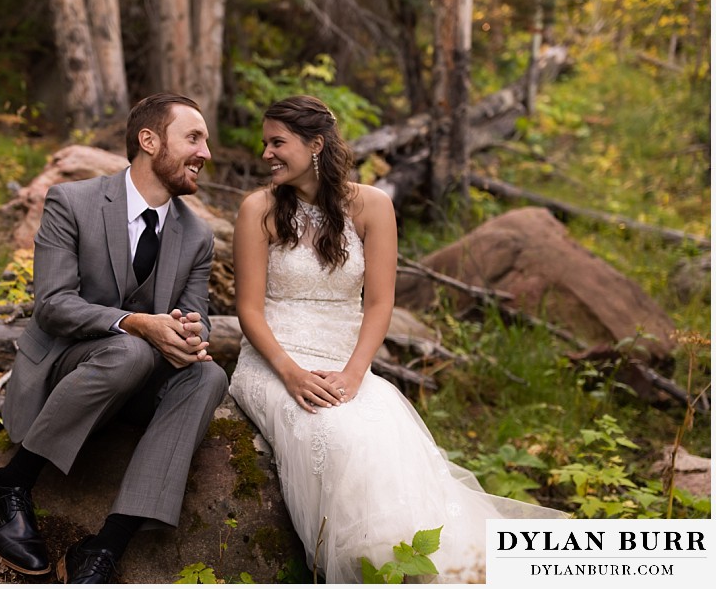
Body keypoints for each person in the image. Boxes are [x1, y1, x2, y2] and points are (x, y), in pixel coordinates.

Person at [229, 95, 565, 583]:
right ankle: (364, 568)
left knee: (383, 430)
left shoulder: (373, 206)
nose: (266, 154)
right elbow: (248, 309)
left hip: (345, 359)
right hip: (275, 358)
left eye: (277, 142)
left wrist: (353, 373)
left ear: (315, 144)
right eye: (266, 143)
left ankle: (416, 568)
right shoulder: (257, 209)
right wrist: (292, 373)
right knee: (331, 433)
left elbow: (380, 304)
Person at [0, 93, 229, 583]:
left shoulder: (197, 236)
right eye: (193, 138)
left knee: (208, 376)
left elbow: (198, 317)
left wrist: (187, 333)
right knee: (130, 349)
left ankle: (105, 546)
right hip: (67, 367)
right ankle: (11, 484)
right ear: (149, 140)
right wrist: (138, 323)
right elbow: (53, 305)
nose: (205, 152)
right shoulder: (72, 201)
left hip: (133, 379)